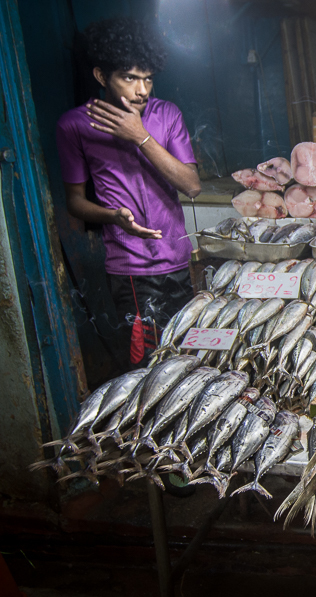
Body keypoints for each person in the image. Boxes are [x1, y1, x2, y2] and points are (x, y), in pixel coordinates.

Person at [56, 17, 201, 366]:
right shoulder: (74, 125)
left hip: (178, 259)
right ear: (102, 77)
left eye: (148, 78)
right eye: (130, 78)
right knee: (149, 364)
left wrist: (141, 137)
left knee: (191, 356)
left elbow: (191, 185)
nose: (142, 90)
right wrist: (113, 218)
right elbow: (75, 201)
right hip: (131, 269)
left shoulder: (165, 114)